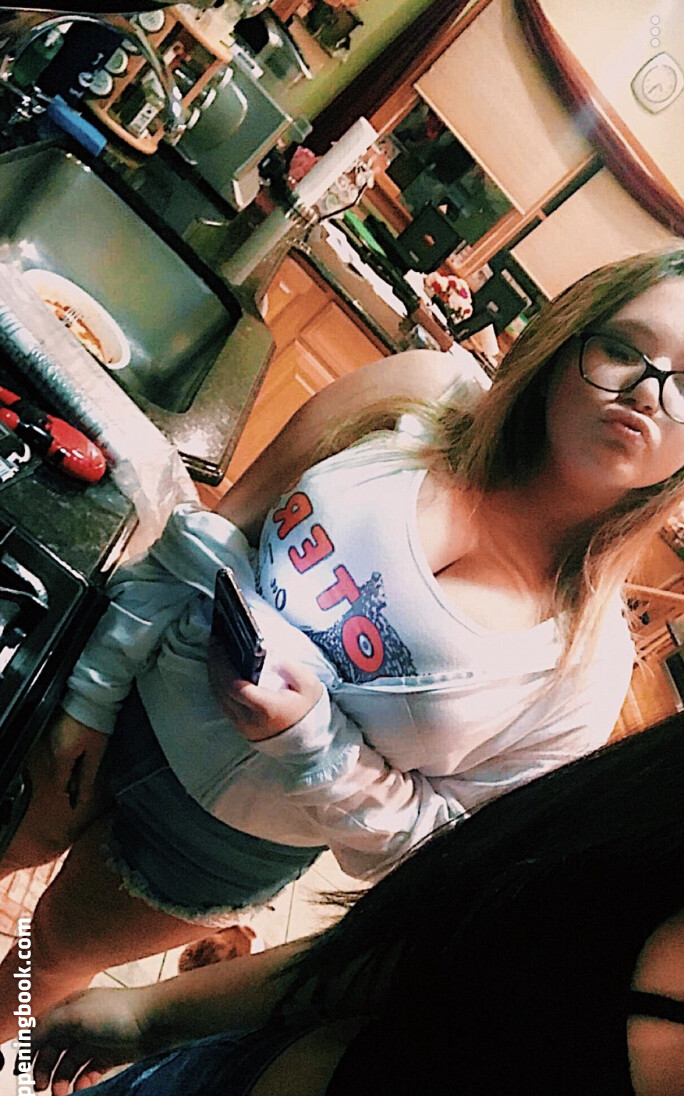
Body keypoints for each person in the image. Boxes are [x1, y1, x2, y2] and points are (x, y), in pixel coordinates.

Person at [1, 247, 684, 1040]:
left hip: (220, 847)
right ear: (568, 338)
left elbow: (434, 853)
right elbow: (209, 536)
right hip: (126, 695)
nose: (648, 391)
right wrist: (90, 697)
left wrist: (311, 742)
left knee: (45, 959)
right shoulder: (420, 393)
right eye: (623, 348)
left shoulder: (585, 672)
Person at [19, 712, 684, 1096]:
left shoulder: (582, 692)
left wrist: (314, 742)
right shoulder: (653, 806)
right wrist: (151, 1016)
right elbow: (412, 955)